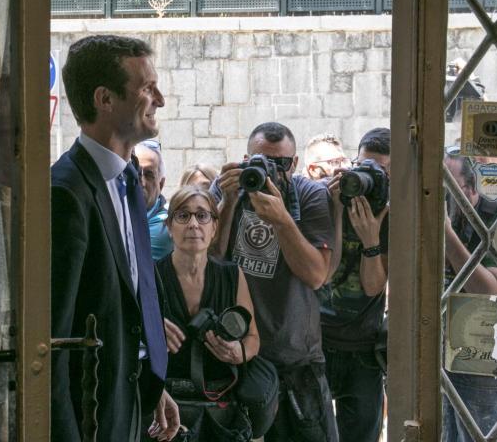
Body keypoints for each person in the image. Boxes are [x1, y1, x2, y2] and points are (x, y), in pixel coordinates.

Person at [50, 35, 179, 442]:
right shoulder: (65, 194)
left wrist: (151, 384)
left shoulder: (128, 179)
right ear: (105, 99)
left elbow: (129, 296)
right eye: (146, 88)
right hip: (92, 417)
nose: (159, 98)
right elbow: (53, 342)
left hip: (131, 402)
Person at [213, 122, 337, 442]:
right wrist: (226, 203)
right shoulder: (229, 189)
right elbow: (211, 266)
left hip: (296, 359)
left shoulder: (308, 194)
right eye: (259, 162)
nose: (268, 171)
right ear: (245, 160)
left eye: (279, 163)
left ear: (294, 164)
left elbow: (315, 275)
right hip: (241, 355)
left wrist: (282, 218)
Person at [156, 185, 260, 437]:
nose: (193, 224)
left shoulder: (231, 275)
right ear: (169, 227)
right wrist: (151, 330)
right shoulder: (152, 276)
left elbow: (253, 339)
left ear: (214, 227)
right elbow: (130, 338)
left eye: (202, 215)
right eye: (182, 216)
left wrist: (239, 352)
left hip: (221, 409)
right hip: (166, 405)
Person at [442, 149, 497, 442]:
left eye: (448, 189)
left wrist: (447, 235)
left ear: (472, 189)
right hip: (439, 347)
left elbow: (492, 290)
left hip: (484, 358)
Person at [320, 128, 390, 442]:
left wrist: (370, 240)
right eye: (365, 167)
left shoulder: (391, 214)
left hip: (362, 347)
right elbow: (320, 272)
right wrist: (336, 208)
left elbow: (374, 286)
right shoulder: (326, 198)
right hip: (317, 341)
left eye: (381, 172)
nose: (369, 179)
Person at [135, 140, 171, 260]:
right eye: (135, 173)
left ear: (161, 184)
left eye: (149, 175)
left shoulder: (167, 225)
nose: (142, 183)